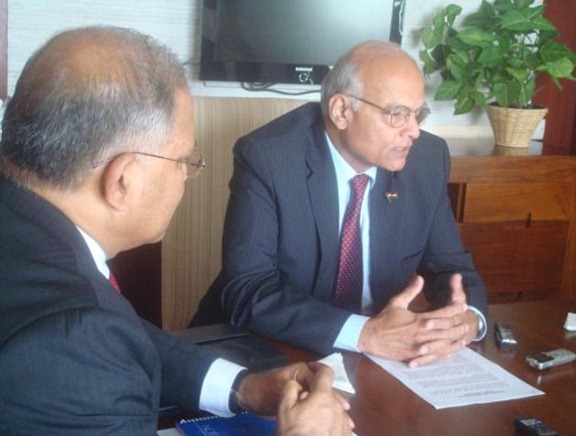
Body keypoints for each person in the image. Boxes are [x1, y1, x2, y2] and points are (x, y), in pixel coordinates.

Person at [0, 26, 353, 435]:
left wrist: (244, 387)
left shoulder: (25, 221)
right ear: (122, 181)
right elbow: (91, 340)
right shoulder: (74, 337)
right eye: (183, 160)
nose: (186, 175)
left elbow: (122, 336)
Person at [191, 40, 489, 367]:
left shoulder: (427, 159)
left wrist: (467, 320)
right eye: (397, 114)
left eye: (418, 113)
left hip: (376, 359)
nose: (414, 131)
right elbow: (248, 290)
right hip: (266, 348)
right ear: (342, 111)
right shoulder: (268, 157)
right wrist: (365, 334)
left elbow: (450, 267)